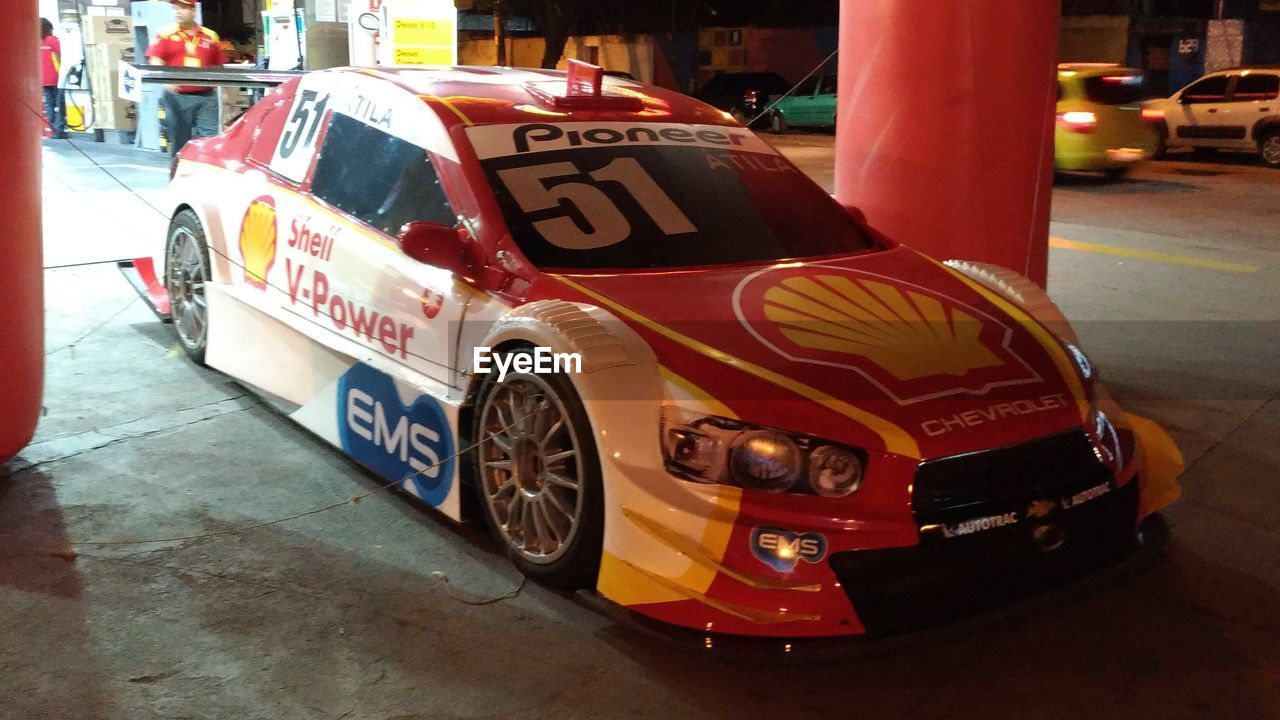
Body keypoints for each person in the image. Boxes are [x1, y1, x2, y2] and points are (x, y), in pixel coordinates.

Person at [144, 0, 226, 156]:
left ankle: (205, 175)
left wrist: (222, 90)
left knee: (209, 139)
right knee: (179, 141)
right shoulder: (165, 33)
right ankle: (178, 174)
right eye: (175, 8)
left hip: (207, 98)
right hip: (178, 97)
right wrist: (167, 80)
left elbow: (219, 66)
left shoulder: (210, 35)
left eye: (183, 8)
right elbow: (155, 60)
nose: (177, 11)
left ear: (193, 10)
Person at [40, 18, 67, 139]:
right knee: (59, 105)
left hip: (43, 79)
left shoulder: (37, 42)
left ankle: (52, 130)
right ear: (49, 28)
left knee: (49, 105)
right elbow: (64, 55)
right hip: (56, 78)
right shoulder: (53, 40)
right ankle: (59, 130)